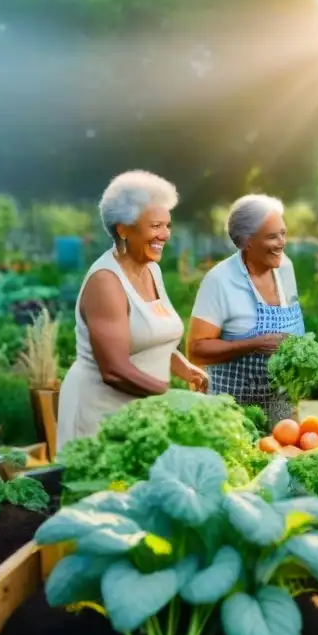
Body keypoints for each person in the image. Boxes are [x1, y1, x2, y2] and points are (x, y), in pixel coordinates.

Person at [57, 170, 208, 451]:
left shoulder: (151, 269)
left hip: (139, 415)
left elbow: (148, 337)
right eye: (155, 226)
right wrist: (172, 397)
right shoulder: (106, 282)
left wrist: (184, 368)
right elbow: (114, 370)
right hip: (100, 419)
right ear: (123, 228)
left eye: (167, 225)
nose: (165, 234)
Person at [188, 194, 302, 424]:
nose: (281, 242)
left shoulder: (285, 267)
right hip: (232, 413)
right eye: (272, 236)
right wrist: (253, 344)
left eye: (283, 233)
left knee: (288, 457)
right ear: (247, 241)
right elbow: (196, 350)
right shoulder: (219, 281)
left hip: (281, 407)